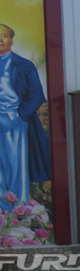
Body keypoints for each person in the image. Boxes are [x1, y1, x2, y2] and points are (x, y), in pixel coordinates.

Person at [0, 23, 51, 211]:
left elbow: (36, 94)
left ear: (11, 40)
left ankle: (16, 211)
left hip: (16, 121)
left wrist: (20, 116)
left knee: (16, 166)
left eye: (4, 36)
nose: (0, 39)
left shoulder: (24, 65)